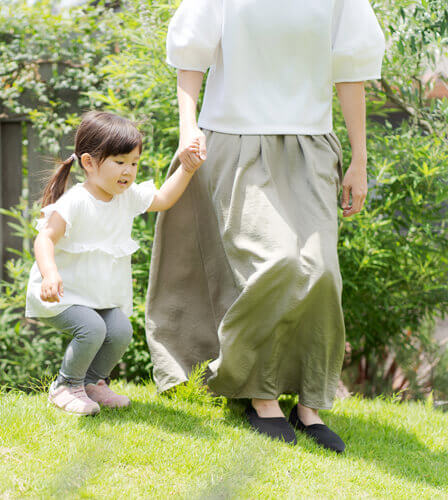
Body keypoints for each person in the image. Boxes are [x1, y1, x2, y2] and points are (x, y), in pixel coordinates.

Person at [145, 0, 385, 451]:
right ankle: (260, 394)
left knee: (320, 272)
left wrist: (359, 160)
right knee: (276, 262)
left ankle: (310, 403)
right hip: (236, 142)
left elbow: (349, 70)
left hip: (311, 144)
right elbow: (191, 54)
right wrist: (186, 127)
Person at [26, 111, 204, 416]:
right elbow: (44, 239)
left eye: (134, 163)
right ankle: (66, 386)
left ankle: (94, 383)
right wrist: (49, 274)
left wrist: (186, 170)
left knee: (120, 330)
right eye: (119, 162)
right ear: (89, 163)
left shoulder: (126, 197)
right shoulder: (76, 201)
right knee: (92, 329)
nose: (129, 171)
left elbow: (162, 199)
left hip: (98, 296)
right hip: (63, 292)